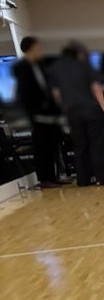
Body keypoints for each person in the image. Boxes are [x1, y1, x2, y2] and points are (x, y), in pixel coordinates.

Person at [47, 41, 104, 188]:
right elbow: (96, 88)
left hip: (73, 112)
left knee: (80, 146)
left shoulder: (56, 69)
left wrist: (66, 109)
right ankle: (101, 178)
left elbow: (56, 94)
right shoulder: (85, 66)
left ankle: (83, 180)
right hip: (91, 109)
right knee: (97, 144)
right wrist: (103, 110)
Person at [12, 35, 64, 188]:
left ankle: (53, 176)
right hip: (36, 114)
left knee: (52, 143)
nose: (40, 50)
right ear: (30, 49)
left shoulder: (41, 65)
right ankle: (44, 178)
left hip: (50, 112)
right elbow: (23, 93)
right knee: (42, 146)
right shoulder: (21, 68)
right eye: (37, 47)